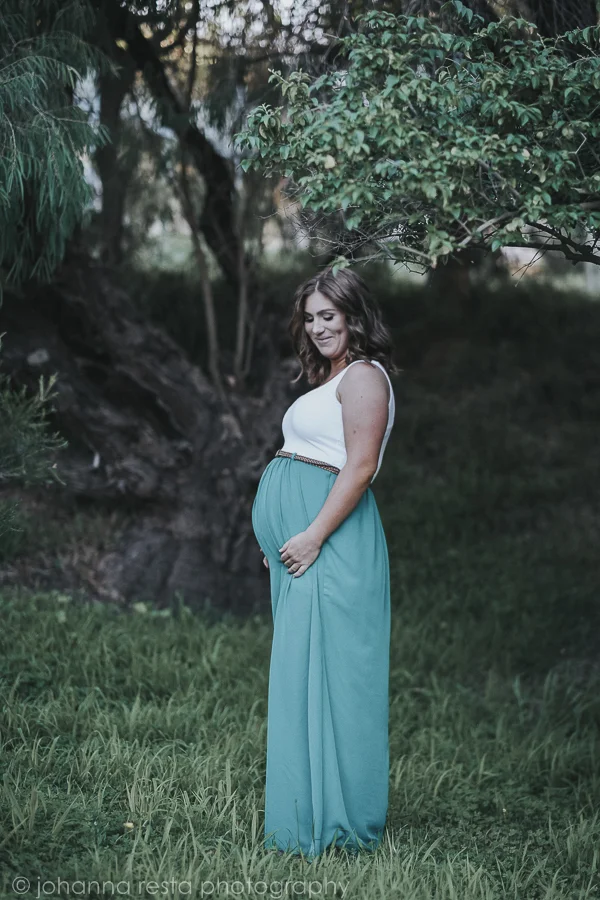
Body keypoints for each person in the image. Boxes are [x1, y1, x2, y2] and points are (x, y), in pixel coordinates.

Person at [251, 265, 399, 860]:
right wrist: (278, 535)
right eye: (310, 318)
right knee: (301, 675)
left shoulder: (364, 376)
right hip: (306, 546)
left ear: (354, 315)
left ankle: (336, 823)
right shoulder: (332, 377)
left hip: (331, 543)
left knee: (332, 680)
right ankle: (302, 815)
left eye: (328, 315)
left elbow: (360, 466)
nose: (317, 327)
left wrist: (310, 535)